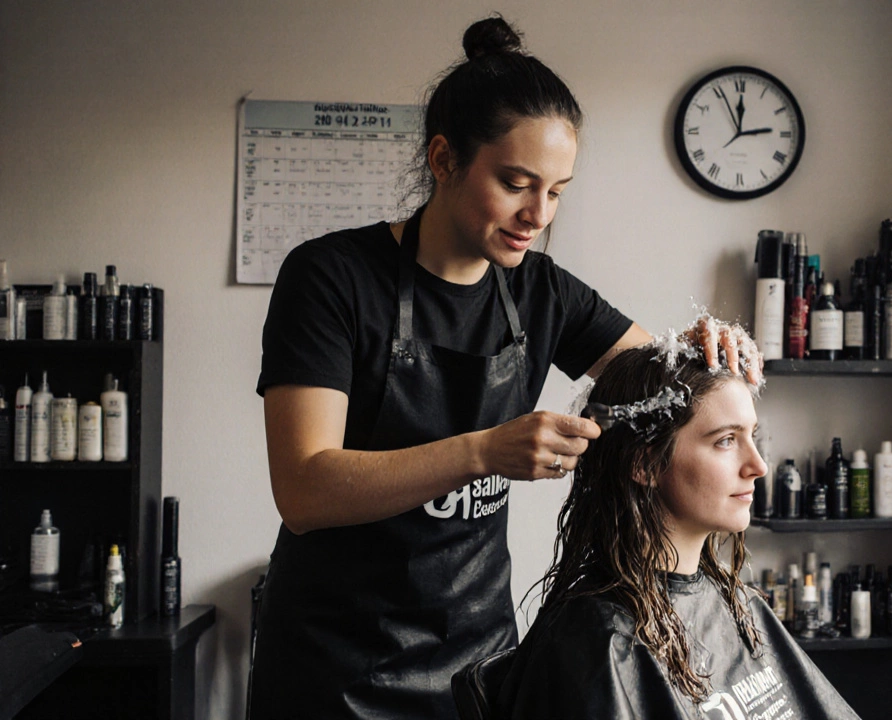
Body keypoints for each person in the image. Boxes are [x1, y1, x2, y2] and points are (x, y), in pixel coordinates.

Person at [250, 15, 758, 719]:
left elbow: (660, 382)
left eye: (556, 191)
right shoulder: (333, 278)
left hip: (480, 655)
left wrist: (710, 351)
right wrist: (485, 450)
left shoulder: (540, 291)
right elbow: (305, 490)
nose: (536, 214)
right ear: (443, 159)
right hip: (333, 665)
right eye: (517, 183)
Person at [496, 341, 860, 719]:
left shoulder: (738, 605)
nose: (758, 466)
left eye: (752, 435)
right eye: (726, 441)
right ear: (646, 464)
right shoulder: (599, 641)